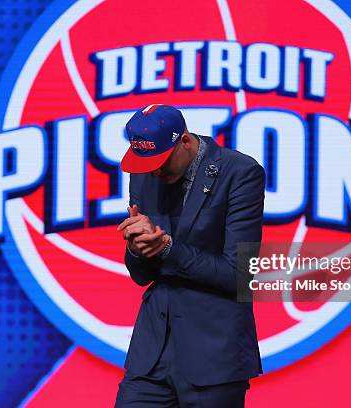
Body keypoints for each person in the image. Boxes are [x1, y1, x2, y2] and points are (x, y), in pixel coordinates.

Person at [114, 104, 265, 407]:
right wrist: (137, 248)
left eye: (161, 161)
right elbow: (141, 275)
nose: (155, 171)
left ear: (184, 141)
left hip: (214, 354)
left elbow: (238, 274)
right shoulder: (145, 174)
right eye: (147, 164)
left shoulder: (240, 173)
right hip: (152, 353)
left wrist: (167, 248)